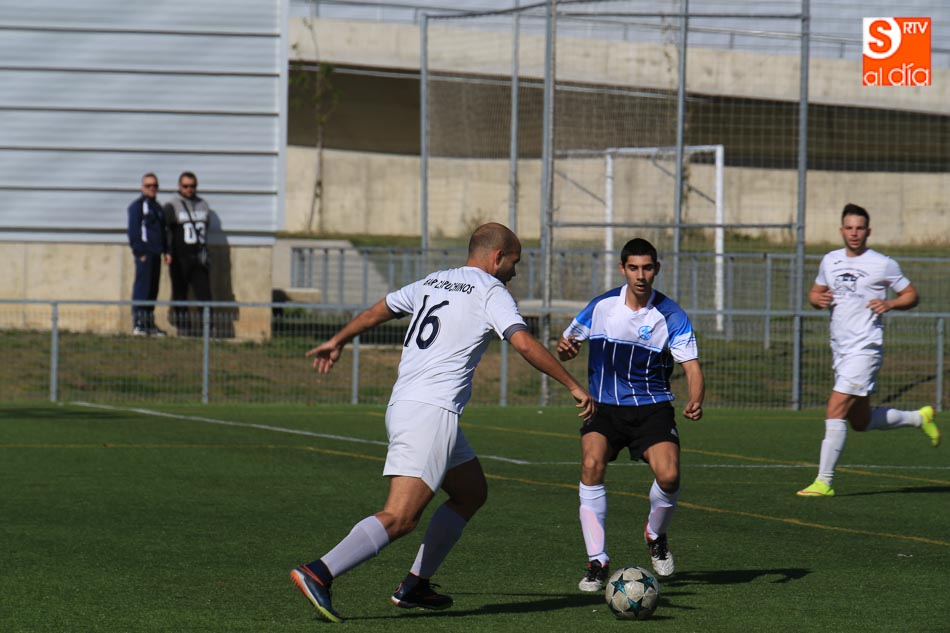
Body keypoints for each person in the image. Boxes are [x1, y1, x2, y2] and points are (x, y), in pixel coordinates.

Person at [289, 222, 595, 623]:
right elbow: (522, 341)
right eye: (514, 262)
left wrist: (339, 339)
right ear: (496, 257)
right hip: (430, 412)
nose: (515, 272)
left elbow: (377, 310)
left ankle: (416, 583)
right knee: (401, 516)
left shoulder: (435, 281)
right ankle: (320, 572)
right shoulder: (490, 291)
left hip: (409, 405)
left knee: (471, 492)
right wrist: (572, 384)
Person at [557, 237, 704, 590]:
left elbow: (692, 367)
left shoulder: (671, 315)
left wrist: (696, 398)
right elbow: (566, 347)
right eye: (634, 268)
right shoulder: (602, 306)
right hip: (604, 408)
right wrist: (566, 349)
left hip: (652, 409)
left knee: (669, 477)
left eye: (648, 268)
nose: (641, 275)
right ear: (623, 269)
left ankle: (656, 535)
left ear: (657, 269)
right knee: (592, 464)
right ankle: (597, 561)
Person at [797, 203, 940, 497]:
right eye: (849, 228)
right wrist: (816, 300)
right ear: (841, 231)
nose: (854, 233)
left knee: (835, 407)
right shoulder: (830, 260)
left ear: (868, 231)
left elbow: (911, 294)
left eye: (860, 228)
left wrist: (890, 303)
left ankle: (824, 481)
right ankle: (919, 418)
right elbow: (815, 292)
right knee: (860, 422)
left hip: (866, 348)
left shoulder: (882, 263)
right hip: (840, 349)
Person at [164, 171, 212, 335]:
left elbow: (207, 227)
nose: (189, 189)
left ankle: (207, 329)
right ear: (179, 186)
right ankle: (184, 328)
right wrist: (169, 252)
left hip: (199, 256)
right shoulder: (172, 205)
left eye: (192, 186)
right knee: (180, 293)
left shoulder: (203, 204)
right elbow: (168, 231)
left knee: (204, 294)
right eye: (185, 186)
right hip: (180, 257)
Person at [126, 173, 171, 336]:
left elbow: (162, 231)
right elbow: (133, 231)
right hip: (145, 254)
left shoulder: (157, 207)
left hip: (156, 254)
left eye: (155, 185)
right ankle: (138, 322)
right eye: (148, 185)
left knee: (153, 289)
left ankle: (148, 322)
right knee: (142, 288)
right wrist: (140, 251)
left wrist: (166, 251)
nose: (152, 188)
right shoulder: (138, 207)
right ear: (142, 187)